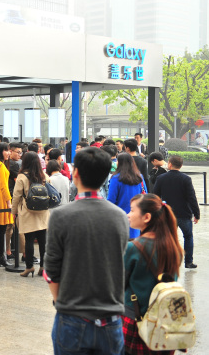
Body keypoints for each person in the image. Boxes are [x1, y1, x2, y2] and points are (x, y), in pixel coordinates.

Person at [45, 147, 129, 355]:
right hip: (111, 320)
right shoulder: (119, 216)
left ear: (75, 173)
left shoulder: (61, 215)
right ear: (105, 176)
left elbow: (52, 269)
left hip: (71, 318)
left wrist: (62, 301)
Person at [123, 193, 183, 355]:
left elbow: (118, 285)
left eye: (132, 210)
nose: (128, 214)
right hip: (165, 324)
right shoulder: (174, 247)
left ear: (147, 217)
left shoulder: (133, 248)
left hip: (137, 323)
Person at [153, 156, 201, 269]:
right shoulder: (186, 179)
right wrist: (196, 214)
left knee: (167, 237)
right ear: (181, 165)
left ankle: (167, 261)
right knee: (188, 237)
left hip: (167, 214)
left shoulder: (161, 178)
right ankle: (188, 262)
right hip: (184, 214)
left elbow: (155, 196)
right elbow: (192, 198)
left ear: (169, 164)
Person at [12, 151, 50, 277]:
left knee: (29, 240)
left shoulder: (22, 177)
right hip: (43, 212)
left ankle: (29, 267)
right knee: (42, 241)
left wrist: (13, 212)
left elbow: (16, 196)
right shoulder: (44, 176)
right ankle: (43, 267)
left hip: (27, 212)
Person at [107, 153, 147, 239]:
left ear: (120, 162)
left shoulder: (116, 178)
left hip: (119, 219)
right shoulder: (140, 177)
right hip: (137, 218)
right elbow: (145, 195)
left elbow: (111, 200)